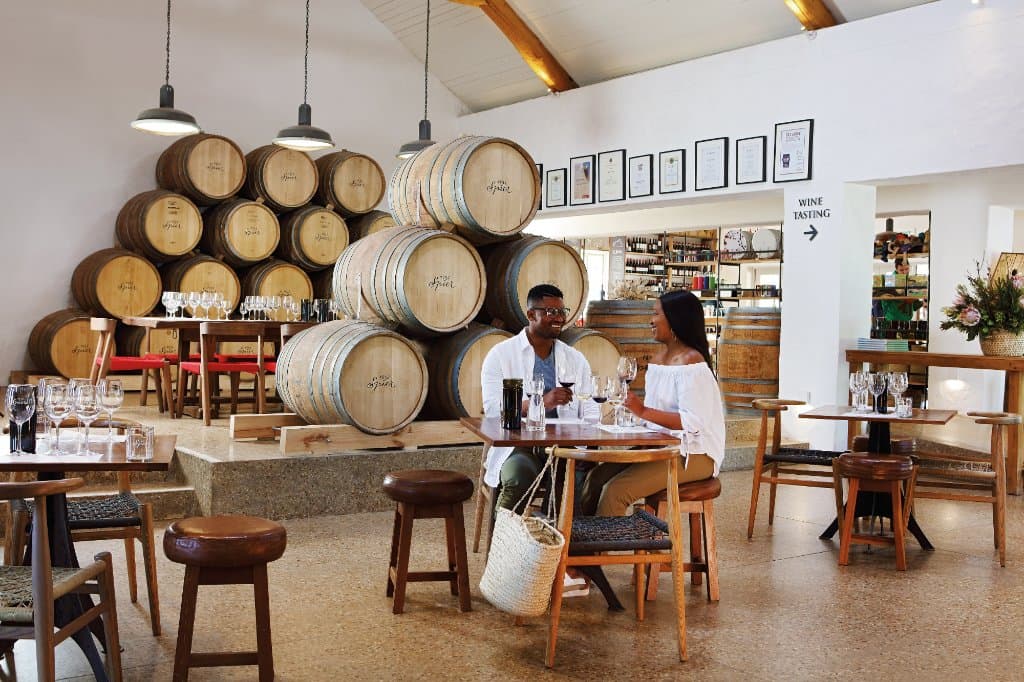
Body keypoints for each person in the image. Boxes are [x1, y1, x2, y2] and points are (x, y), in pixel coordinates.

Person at [579, 290, 725, 516]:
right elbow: (654, 421)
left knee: (616, 490)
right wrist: (633, 420)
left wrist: (643, 411)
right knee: (595, 478)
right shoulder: (657, 362)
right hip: (662, 447)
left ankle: (601, 549)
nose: (650, 320)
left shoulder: (692, 364)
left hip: (695, 454)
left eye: (656, 313)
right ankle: (577, 548)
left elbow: (693, 422)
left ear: (675, 319)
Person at [480, 284, 600, 512]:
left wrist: (589, 439)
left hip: (564, 445)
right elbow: (494, 410)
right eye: (550, 312)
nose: (559, 318)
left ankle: (559, 539)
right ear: (530, 315)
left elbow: (591, 407)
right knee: (519, 476)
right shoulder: (501, 355)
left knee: (580, 478)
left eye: (562, 312)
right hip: (519, 444)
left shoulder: (574, 358)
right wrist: (541, 403)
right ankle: (505, 543)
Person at [877, 256, 923, 322]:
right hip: (892, 318)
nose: (904, 272)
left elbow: (915, 305)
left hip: (907, 319)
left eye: (907, 269)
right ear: (896, 269)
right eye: (901, 270)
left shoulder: (911, 281)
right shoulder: (889, 280)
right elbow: (878, 293)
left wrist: (920, 300)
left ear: (909, 267)